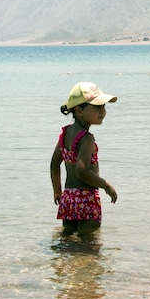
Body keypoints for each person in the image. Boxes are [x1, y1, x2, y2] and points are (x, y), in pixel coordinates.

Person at [50, 82, 119, 235]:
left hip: (69, 198)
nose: (103, 112)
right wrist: (106, 185)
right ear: (79, 110)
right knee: (89, 242)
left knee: (67, 238)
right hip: (86, 199)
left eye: (103, 106)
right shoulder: (87, 138)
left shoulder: (65, 133)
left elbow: (54, 163)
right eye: (97, 107)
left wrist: (57, 191)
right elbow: (81, 171)